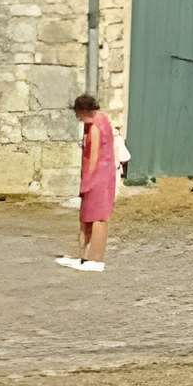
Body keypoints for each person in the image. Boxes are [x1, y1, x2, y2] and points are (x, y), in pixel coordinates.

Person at [59, 94, 117, 272]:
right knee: (94, 216)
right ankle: (85, 256)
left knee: (94, 217)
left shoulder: (94, 128)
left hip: (97, 177)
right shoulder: (102, 119)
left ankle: (93, 258)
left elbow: (93, 157)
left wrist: (86, 182)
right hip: (106, 175)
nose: (78, 118)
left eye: (78, 114)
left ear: (84, 111)